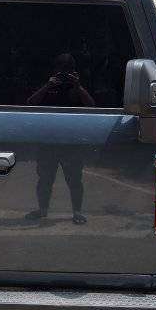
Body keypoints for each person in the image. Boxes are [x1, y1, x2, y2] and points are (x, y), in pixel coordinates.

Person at [25, 54, 92, 224]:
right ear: (55, 70)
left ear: (74, 71)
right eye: (61, 69)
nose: (64, 74)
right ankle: (42, 210)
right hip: (48, 140)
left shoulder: (77, 87)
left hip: (72, 141)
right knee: (45, 178)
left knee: (75, 178)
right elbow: (30, 103)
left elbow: (92, 106)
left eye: (68, 70)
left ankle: (77, 212)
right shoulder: (49, 85)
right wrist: (48, 85)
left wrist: (78, 86)